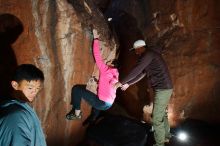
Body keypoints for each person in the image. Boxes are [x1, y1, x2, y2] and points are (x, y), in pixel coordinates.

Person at [115, 40, 173, 146]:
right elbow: (142, 73)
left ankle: (160, 143)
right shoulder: (150, 55)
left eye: (136, 49)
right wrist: (128, 84)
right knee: (162, 114)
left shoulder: (148, 54)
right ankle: (166, 136)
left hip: (163, 89)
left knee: (156, 118)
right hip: (163, 88)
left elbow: (137, 70)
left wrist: (121, 82)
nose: (135, 52)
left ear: (141, 47)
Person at [66, 29, 120, 121]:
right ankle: (93, 117)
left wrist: (96, 38)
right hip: (109, 104)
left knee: (77, 89)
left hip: (102, 102)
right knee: (91, 92)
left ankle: (77, 113)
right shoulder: (116, 73)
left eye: (108, 61)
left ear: (111, 63)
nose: (106, 61)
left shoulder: (105, 69)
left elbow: (97, 55)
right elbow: (109, 84)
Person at [0, 64, 47, 146]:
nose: (34, 92)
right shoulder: (15, 116)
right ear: (15, 85)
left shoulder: (22, 108)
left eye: (37, 88)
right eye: (30, 88)